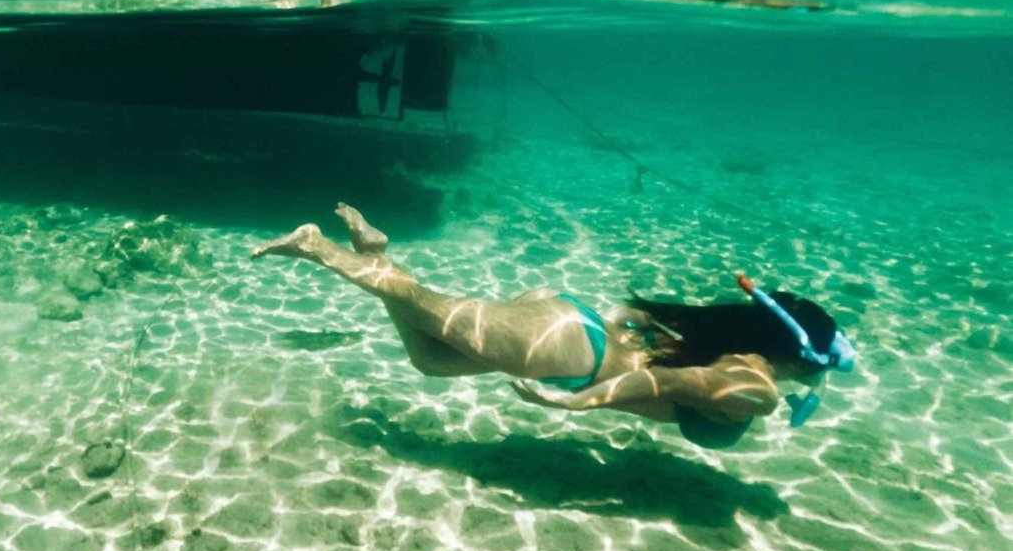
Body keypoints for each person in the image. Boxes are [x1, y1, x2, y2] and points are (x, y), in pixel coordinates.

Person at [251, 204, 855, 449]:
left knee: (430, 358)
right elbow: (661, 388)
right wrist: (579, 406)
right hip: (572, 350)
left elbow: (645, 343)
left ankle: (377, 253)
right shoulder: (756, 390)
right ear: (799, 355)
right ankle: (319, 248)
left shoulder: (734, 357)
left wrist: (611, 334)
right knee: (429, 308)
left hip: (575, 331)